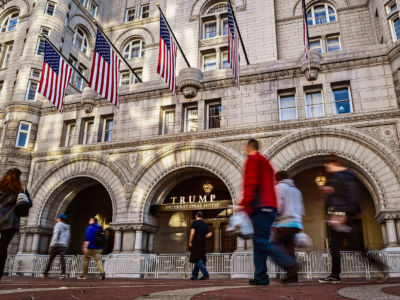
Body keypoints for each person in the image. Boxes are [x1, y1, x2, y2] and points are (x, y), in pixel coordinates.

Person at [236, 139, 298, 285]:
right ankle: (260, 276)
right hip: (269, 207)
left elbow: (251, 183)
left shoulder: (253, 160)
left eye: (245, 147)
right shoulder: (266, 163)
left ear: (249, 147)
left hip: (260, 206)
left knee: (261, 241)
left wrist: (244, 204)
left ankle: (289, 263)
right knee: (259, 244)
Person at [319, 154, 386, 283]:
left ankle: (335, 274)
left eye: (328, 165)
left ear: (334, 163)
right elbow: (340, 194)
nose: (327, 168)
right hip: (340, 214)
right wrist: (330, 190)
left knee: (346, 245)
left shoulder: (344, 175)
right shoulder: (338, 177)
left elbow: (350, 195)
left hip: (343, 215)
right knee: (343, 245)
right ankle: (335, 274)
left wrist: (342, 213)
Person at [0, 168, 31, 280]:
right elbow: (28, 205)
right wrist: (26, 195)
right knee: (3, 249)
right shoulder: (19, 190)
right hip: (11, 223)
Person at [274, 171, 305, 266]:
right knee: (289, 246)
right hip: (296, 224)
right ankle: (292, 274)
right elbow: (302, 210)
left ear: (278, 178)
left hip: (284, 223)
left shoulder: (279, 188)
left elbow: (278, 207)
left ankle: (292, 265)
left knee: (273, 247)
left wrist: (274, 219)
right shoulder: (297, 190)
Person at [40, 214, 70, 279]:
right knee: (62, 260)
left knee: (51, 259)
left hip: (57, 245)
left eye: (58, 218)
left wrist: (52, 244)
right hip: (64, 245)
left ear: (59, 219)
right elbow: (68, 236)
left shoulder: (58, 225)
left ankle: (45, 273)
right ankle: (63, 274)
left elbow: (56, 235)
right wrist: (66, 244)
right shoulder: (67, 227)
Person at [189, 211, 212, 280]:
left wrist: (190, 241)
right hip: (203, 243)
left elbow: (192, 233)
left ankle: (206, 274)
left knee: (197, 259)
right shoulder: (205, 224)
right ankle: (195, 275)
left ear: (196, 216)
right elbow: (210, 233)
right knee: (200, 258)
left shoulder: (194, 223)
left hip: (196, 243)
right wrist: (204, 236)